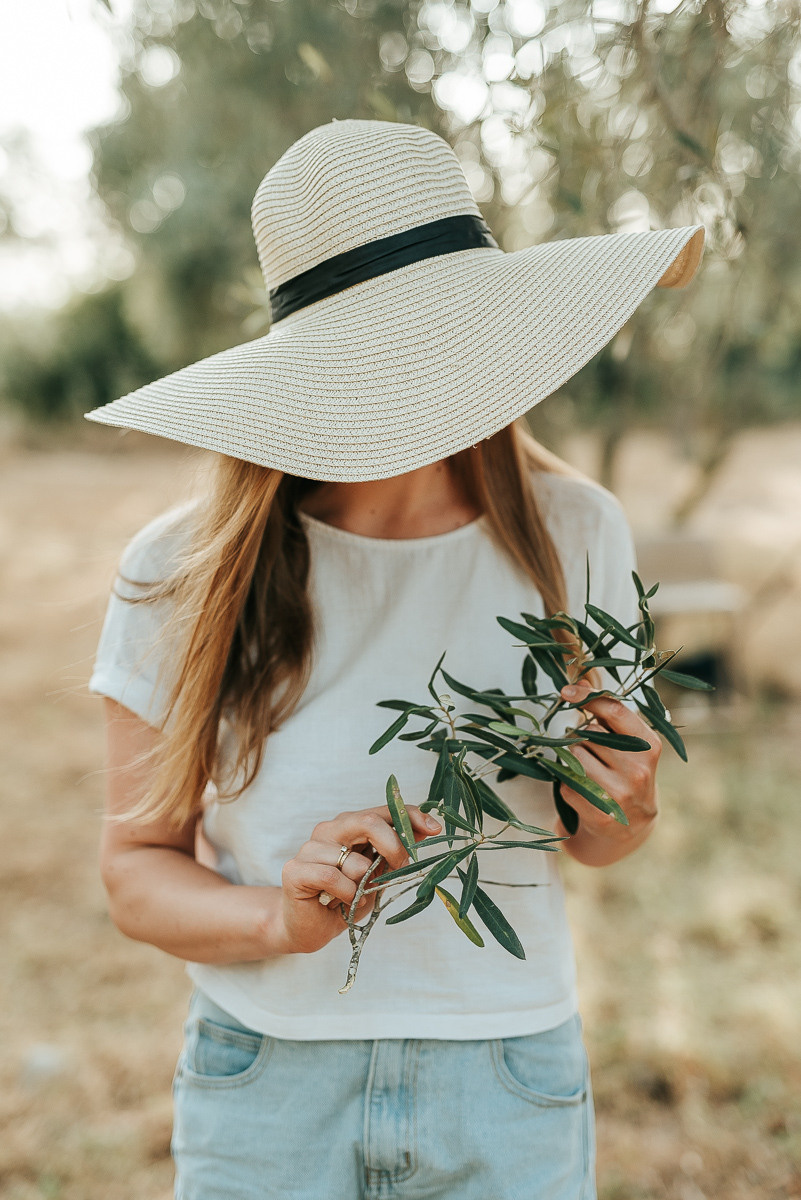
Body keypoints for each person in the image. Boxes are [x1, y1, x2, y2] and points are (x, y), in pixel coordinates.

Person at [86, 120, 704, 1200]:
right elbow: (135, 871)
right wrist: (278, 920)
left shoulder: (575, 536)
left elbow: (597, 842)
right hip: (264, 1088)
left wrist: (627, 806)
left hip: (507, 1083)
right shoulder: (180, 572)